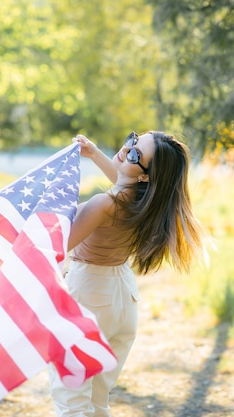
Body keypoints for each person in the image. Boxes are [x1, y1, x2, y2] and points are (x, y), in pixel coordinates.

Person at [49, 130, 206, 417]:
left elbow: (52, 249)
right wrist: (96, 153)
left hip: (90, 295)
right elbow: (124, 180)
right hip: (122, 301)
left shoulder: (103, 205)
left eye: (136, 153)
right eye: (133, 140)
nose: (126, 149)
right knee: (96, 401)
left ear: (145, 175)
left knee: (71, 400)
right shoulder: (144, 201)